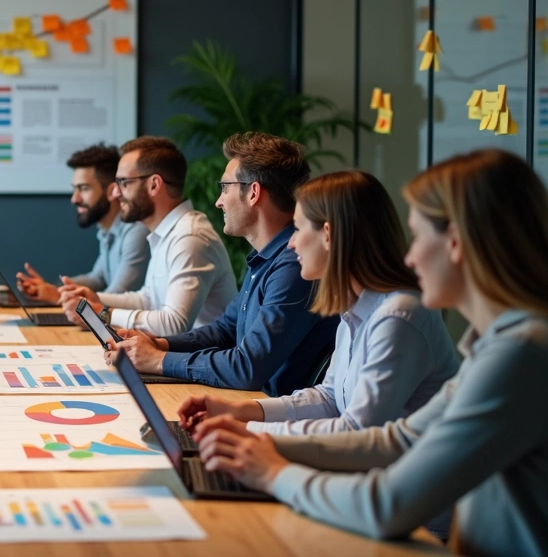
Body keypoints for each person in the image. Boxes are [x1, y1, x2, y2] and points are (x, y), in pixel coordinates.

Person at [194, 150, 548, 555]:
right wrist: (256, 438)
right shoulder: (498, 346)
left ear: (455, 244)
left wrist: (272, 470)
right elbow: (398, 439)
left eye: (418, 238)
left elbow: (386, 503)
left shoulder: (516, 354)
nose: (410, 257)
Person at [176, 171, 458, 434]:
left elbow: (355, 431)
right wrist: (238, 411)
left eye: (298, 229)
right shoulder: (357, 307)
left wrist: (248, 429)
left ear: (328, 234)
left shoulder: (398, 316)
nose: (291, 243)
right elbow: (330, 397)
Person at [108, 133, 338, 396]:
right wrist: (159, 344)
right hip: (250, 404)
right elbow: (226, 330)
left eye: (225, 187)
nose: (218, 201)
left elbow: (246, 368)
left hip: (270, 416)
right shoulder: (266, 259)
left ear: (253, 193)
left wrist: (158, 360)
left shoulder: (294, 266)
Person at [58, 137, 237, 337]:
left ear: (154, 185)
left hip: (198, 361)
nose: (115, 193)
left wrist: (103, 313)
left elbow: (174, 324)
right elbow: (148, 299)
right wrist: (95, 299)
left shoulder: (190, 237)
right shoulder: (167, 232)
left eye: (123, 183)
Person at [15, 142, 151, 302]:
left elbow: (118, 296)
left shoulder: (137, 233)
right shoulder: (108, 231)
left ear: (112, 191)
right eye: (75, 189)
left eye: (84, 189)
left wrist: (59, 295)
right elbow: (98, 278)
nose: (75, 198)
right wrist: (52, 287)